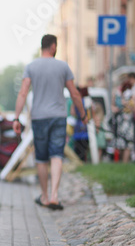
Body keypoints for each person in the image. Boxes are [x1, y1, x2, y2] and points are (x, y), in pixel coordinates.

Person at [12, 34, 86, 210]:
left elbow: (23, 92)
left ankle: (44, 197)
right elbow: (74, 93)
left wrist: (16, 118)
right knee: (57, 155)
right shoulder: (63, 66)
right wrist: (83, 114)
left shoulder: (31, 66)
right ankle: (54, 196)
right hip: (58, 117)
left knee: (41, 158)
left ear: (42, 47)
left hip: (38, 117)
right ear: (53, 47)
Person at [110, 81, 135, 163]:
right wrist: (115, 109)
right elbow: (112, 106)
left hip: (128, 122)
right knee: (120, 143)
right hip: (120, 122)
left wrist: (127, 104)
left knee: (128, 143)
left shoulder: (132, 96)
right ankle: (120, 162)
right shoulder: (117, 95)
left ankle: (125, 162)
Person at [70, 87, 90, 162]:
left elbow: (72, 113)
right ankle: (83, 161)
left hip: (78, 128)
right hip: (86, 127)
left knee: (78, 149)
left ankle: (78, 162)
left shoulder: (76, 102)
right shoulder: (87, 102)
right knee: (84, 149)